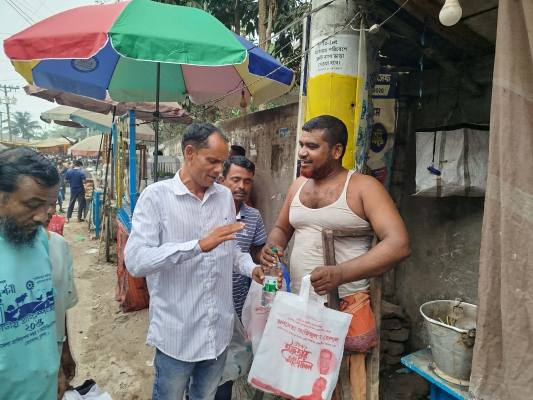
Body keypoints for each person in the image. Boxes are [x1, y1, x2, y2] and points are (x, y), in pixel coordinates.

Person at [260, 115, 411, 400]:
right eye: (301, 145)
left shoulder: (363, 187)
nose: (302, 152)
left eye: (312, 146)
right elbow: (281, 229)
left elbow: (399, 244)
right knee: (303, 382)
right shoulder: (297, 186)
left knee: (343, 386)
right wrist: (273, 248)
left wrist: (341, 273)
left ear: (336, 151)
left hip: (345, 306)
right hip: (302, 305)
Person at [124, 123, 266, 400]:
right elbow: (136, 261)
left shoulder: (223, 197)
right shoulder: (156, 198)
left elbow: (230, 251)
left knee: (206, 396)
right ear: (189, 153)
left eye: (222, 162)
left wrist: (252, 268)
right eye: (212, 161)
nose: (219, 170)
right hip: (177, 334)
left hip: (218, 332)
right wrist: (198, 246)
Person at [0, 147, 61, 399]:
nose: (42, 217)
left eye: (50, 205)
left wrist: (59, 363)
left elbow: (48, 304)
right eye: (32, 205)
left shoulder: (40, 240)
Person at [215, 156, 267, 400]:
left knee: (228, 365)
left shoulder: (253, 216)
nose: (241, 186)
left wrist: (267, 257)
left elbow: (257, 251)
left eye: (247, 181)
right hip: (210, 301)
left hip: (238, 303)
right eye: (235, 179)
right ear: (222, 180)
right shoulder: (209, 212)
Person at [45, 204, 78, 399]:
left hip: (51, 370)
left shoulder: (58, 246)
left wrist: (64, 351)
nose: (49, 211)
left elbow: (59, 304)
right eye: (33, 201)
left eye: (51, 202)